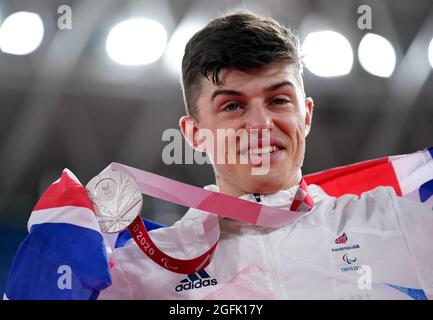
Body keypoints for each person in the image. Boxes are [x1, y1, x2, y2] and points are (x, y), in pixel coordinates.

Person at [96, 11, 433, 300]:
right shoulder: (139, 270)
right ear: (194, 134)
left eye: (278, 100)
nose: (260, 123)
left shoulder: (397, 222)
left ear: (307, 115)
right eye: (232, 105)